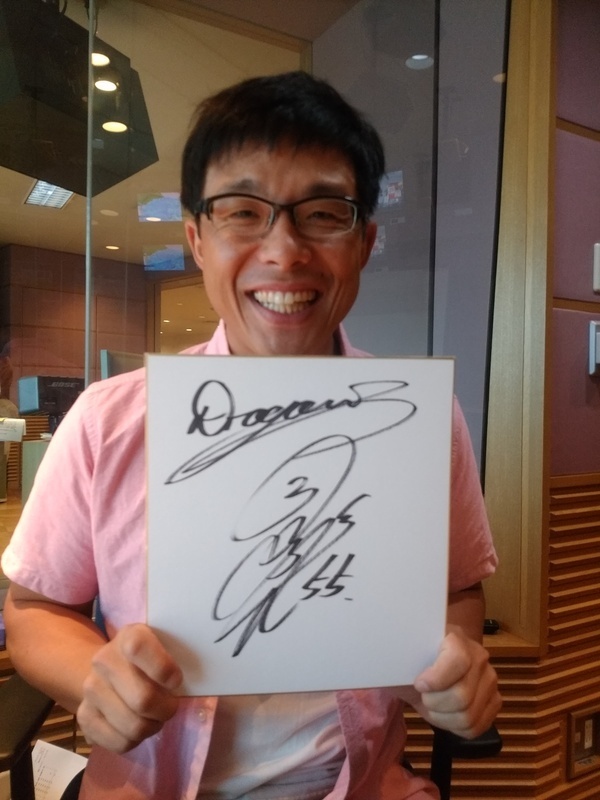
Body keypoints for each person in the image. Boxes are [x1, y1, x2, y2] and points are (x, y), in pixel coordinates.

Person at [2, 71, 500, 799]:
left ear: (365, 241)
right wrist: (91, 675)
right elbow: (34, 608)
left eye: (323, 213)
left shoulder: (421, 422)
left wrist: (454, 661)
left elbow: (457, 588)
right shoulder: (108, 421)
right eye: (243, 212)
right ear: (197, 239)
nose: (284, 251)